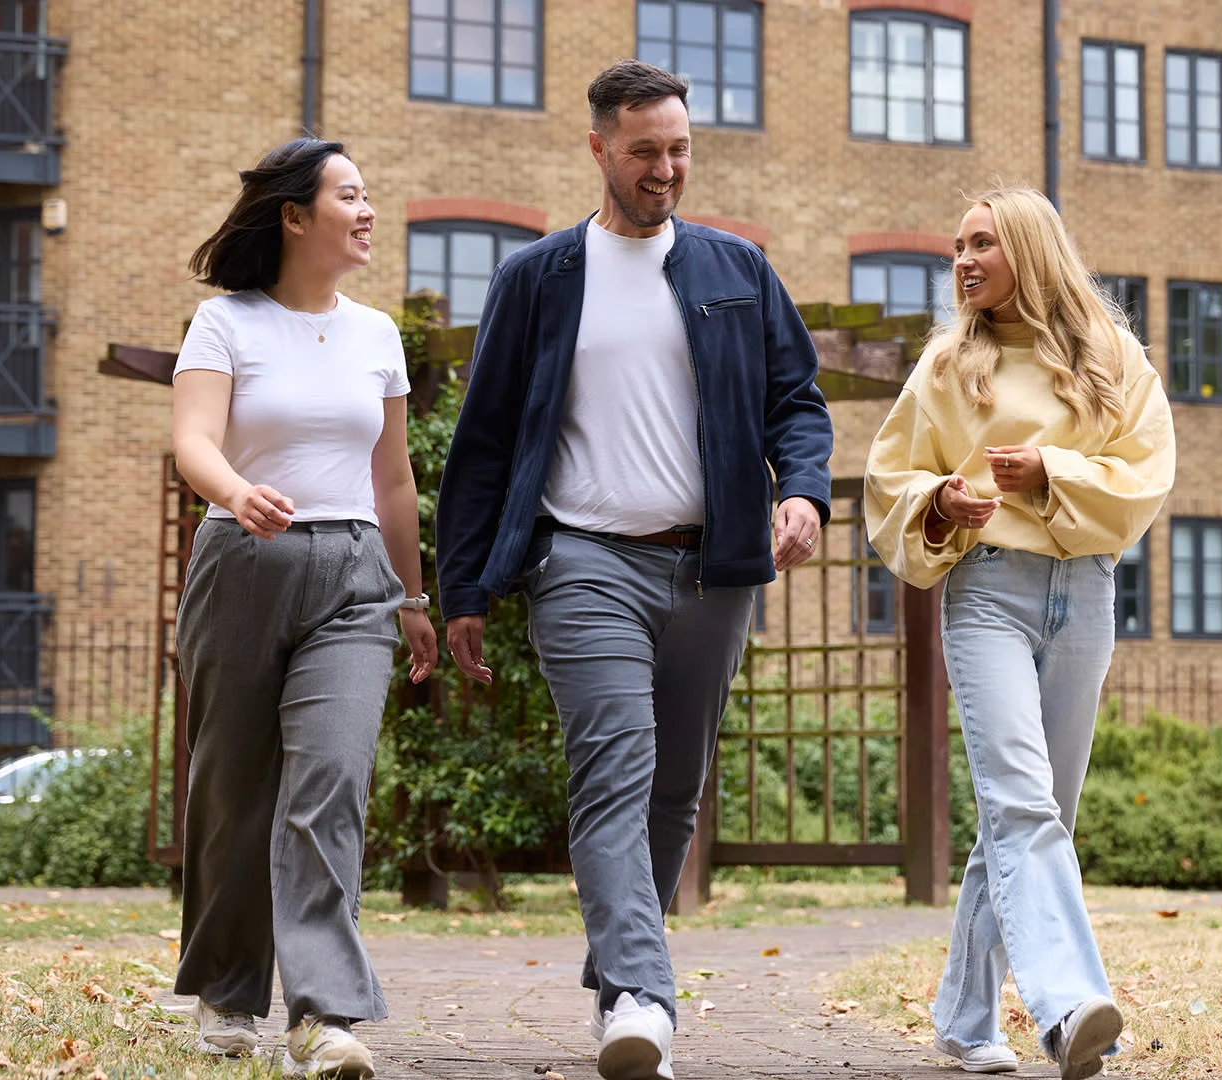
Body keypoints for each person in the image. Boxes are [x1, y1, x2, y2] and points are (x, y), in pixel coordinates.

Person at [435, 60, 833, 1080]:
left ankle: (618, 968)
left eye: (680, 149)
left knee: (674, 788)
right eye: (645, 150)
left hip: (714, 569)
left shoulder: (737, 269)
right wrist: (464, 588)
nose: (666, 169)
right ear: (600, 148)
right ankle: (642, 996)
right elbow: (482, 445)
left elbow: (796, 400)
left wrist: (803, 491)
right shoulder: (537, 278)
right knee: (614, 768)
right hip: (582, 559)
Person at [865, 187, 1175, 1080]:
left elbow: (1146, 475)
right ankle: (1071, 1008)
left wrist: (1050, 471)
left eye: (982, 244)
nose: (962, 261)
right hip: (988, 593)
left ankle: (964, 1020)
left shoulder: (1112, 356)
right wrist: (940, 502)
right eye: (958, 246)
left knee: (1036, 815)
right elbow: (891, 479)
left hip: (1086, 590)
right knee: (1022, 806)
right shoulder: (945, 366)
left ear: (1031, 252)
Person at [170, 136, 438, 1079]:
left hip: (355, 575)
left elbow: (393, 478)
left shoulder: (376, 335)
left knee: (331, 781)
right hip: (243, 561)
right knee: (233, 789)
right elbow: (194, 440)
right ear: (294, 216)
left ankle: (323, 1016)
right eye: (349, 196)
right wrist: (236, 491)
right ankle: (227, 992)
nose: (368, 212)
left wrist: (413, 595)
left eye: (368, 195)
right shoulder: (225, 323)